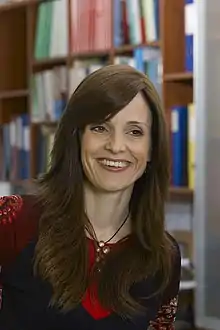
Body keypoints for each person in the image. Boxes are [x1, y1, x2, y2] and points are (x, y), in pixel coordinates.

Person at [0, 64, 181, 330]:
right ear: (77, 136)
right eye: (100, 128)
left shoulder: (164, 257)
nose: (117, 146)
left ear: (152, 148)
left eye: (135, 132)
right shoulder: (12, 222)